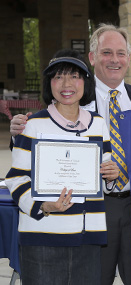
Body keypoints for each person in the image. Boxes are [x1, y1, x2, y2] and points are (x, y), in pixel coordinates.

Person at [10, 24, 131, 285]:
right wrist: (17, 135)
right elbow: (31, 158)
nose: (114, 60)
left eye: (121, 53)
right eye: (107, 52)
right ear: (92, 58)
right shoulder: (70, 101)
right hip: (97, 209)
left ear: (129, 58)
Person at [5, 49, 118, 284]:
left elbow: (105, 179)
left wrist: (111, 175)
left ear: (86, 83)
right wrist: (43, 205)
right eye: (58, 76)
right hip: (43, 236)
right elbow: (16, 178)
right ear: (50, 84)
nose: (66, 84)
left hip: (88, 239)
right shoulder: (33, 124)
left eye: (74, 76)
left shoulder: (98, 124)